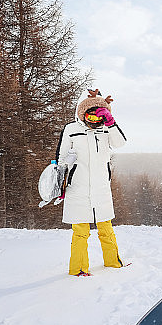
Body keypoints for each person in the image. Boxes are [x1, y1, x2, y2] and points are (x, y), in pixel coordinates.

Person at [56, 88, 128, 276]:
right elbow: (61, 158)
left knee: (106, 229)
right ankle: (78, 269)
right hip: (77, 188)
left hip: (101, 188)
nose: (94, 121)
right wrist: (60, 184)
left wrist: (110, 122)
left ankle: (113, 263)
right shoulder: (71, 129)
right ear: (83, 113)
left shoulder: (106, 129)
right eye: (91, 116)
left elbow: (120, 143)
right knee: (80, 232)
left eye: (98, 117)